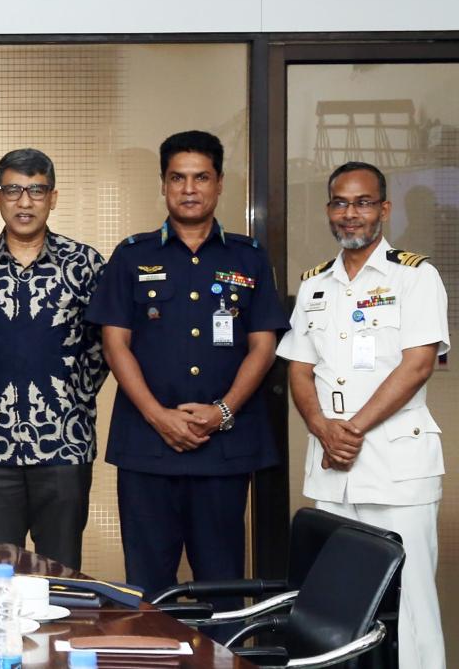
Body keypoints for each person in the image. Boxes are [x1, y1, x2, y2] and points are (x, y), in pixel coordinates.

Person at [84, 130, 287, 606]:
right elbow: (115, 345)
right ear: (163, 184)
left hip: (224, 449)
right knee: (148, 590)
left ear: (219, 184)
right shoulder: (132, 256)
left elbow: (263, 346)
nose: (189, 189)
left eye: (201, 177)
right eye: (178, 178)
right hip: (147, 448)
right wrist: (158, 416)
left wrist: (223, 411)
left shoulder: (249, 256)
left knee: (223, 586)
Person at [277, 161, 448, 668]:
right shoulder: (315, 285)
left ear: (384, 209)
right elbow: (299, 368)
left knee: (411, 603)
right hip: (334, 470)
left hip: (396, 466)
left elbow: (418, 365)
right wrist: (322, 429)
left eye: (363, 202)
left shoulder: (415, 276)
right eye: (340, 203)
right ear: (329, 209)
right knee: (339, 604)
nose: (350, 213)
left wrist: (349, 431)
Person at [0, 149, 106, 569]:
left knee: (61, 569)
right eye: (13, 190)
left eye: (36, 190)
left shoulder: (85, 264)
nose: (25, 202)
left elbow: (101, 349)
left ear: (53, 198)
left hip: (64, 444)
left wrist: (71, 396)